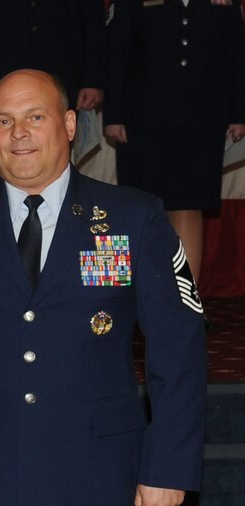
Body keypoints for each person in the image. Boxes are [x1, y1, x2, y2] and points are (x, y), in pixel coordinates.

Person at [0, 69, 206, 506]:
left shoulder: (133, 217)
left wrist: (169, 466)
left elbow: (178, 345)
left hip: (99, 482)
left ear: (67, 124)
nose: (18, 133)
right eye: (3, 120)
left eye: (34, 117)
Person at [104, 0, 245, 291]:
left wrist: (238, 113)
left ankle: (185, 301)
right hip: (142, 119)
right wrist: (113, 115)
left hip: (203, 120)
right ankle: (129, 301)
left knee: (189, 207)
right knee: (136, 208)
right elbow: (116, 52)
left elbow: (236, 52)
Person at [0, 0, 106, 172]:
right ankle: (3, 198)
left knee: (58, 146)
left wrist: (93, 80)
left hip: (63, 71)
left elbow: (93, 20)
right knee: (2, 150)